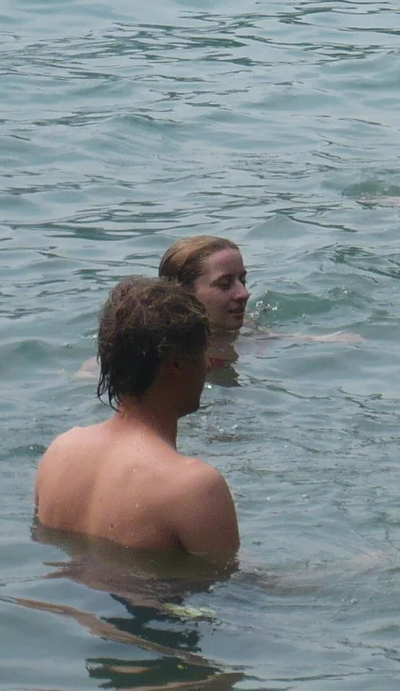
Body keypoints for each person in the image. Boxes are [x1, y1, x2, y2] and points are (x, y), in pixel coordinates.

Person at [35, 278, 240, 558]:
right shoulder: (194, 487)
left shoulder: (59, 452)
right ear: (174, 365)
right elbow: (227, 579)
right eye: (203, 352)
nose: (206, 366)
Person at [159, 235, 249, 371]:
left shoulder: (251, 330)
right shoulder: (172, 357)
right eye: (225, 284)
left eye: (242, 281)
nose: (243, 294)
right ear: (183, 294)